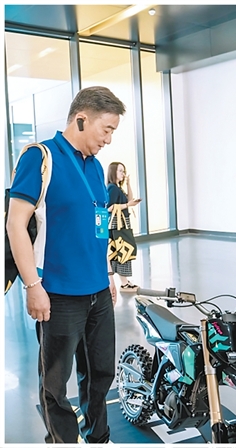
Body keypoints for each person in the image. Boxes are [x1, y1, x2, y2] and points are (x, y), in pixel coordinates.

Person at [6, 86, 126, 443]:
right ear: (82, 119)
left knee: (100, 374)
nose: (108, 139)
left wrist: (108, 274)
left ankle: (98, 436)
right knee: (56, 385)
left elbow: (98, 226)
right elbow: (15, 224)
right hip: (57, 295)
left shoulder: (96, 167)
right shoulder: (40, 157)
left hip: (98, 292)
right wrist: (33, 286)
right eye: (106, 129)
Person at [107, 161, 141, 292]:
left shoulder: (117, 188)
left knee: (121, 252)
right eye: (120, 171)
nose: (123, 173)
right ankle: (124, 283)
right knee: (122, 251)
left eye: (123, 171)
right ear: (113, 172)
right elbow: (109, 207)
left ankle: (124, 282)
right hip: (117, 225)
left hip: (122, 224)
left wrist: (128, 184)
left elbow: (129, 200)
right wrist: (127, 205)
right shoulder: (112, 188)